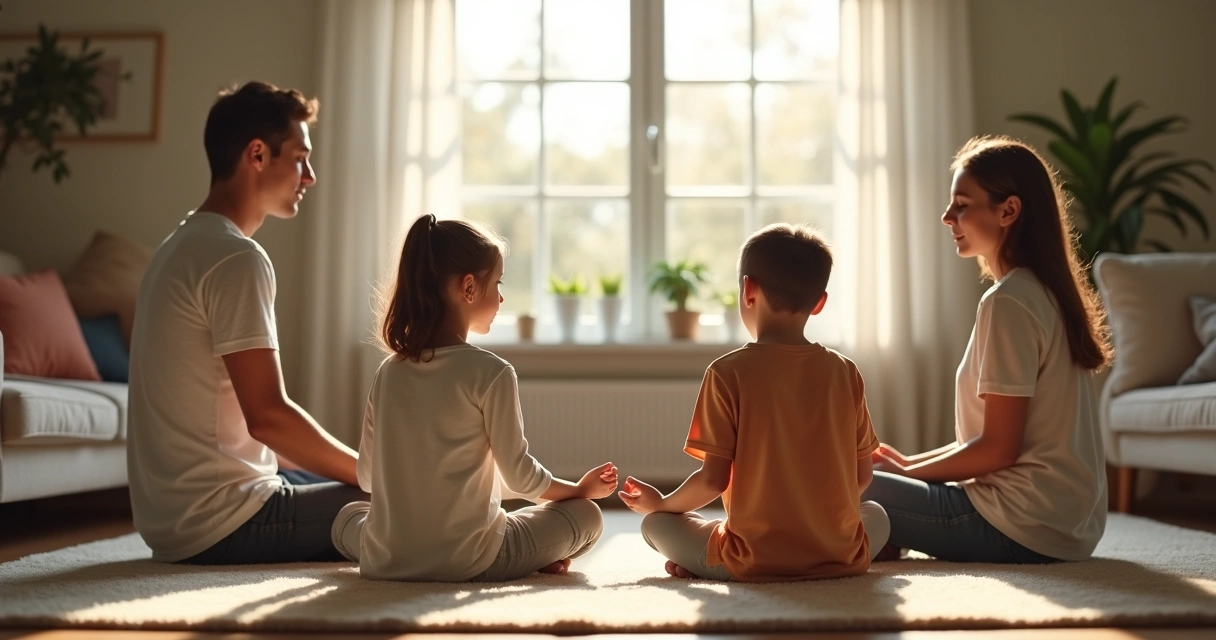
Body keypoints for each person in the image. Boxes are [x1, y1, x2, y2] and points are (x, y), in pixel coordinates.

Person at [127, 81, 366, 564]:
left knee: (365, 487)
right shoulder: (235, 257)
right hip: (225, 522)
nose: (310, 176)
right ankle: (523, 540)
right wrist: (372, 476)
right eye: (300, 158)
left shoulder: (178, 246)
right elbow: (268, 417)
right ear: (257, 154)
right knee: (411, 502)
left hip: (172, 522)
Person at [863, 135, 1112, 563]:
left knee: (842, 477)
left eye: (961, 204)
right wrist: (909, 464)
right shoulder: (1045, 293)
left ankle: (865, 533)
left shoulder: (1010, 301)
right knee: (871, 477)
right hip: (1062, 525)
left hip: (1020, 525)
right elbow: (995, 444)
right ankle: (877, 534)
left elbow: (998, 449)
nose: (946, 217)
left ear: (1008, 211)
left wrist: (904, 472)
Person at [330, 214, 617, 582]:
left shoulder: (388, 372)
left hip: (387, 560)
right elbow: (521, 477)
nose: (500, 297)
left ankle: (415, 551)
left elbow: (368, 478)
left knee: (347, 517)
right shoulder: (492, 372)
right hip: (472, 562)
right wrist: (578, 490)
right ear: (468, 288)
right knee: (588, 516)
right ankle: (533, 557)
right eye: (496, 283)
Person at [618, 223, 891, 582]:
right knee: (878, 516)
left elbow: (713, 481)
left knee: (656, 526)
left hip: (753, 561)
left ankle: (706, 561)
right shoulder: (845, 371)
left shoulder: (726, 372)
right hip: (840, 556)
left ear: (748, 290)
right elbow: (862, 476)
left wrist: (662, 504)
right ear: (820, 302)